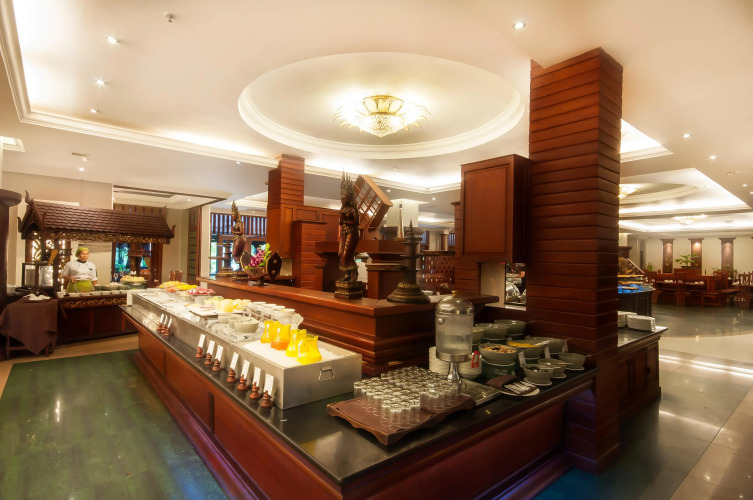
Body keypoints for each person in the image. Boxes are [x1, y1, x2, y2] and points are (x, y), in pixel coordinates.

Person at [338, 173, 360, 282]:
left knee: (347, 254)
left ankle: (354, 273)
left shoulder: (353, 209)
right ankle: (347, 275)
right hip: (344, 232)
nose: (342, 199)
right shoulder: (343, 209)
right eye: (341, 197)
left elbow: (356, 222)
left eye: (344, 197)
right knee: (341, 253)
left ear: (349, 197)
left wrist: (345, 221)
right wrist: (342, 219)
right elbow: (340, 222)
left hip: (352, 232)